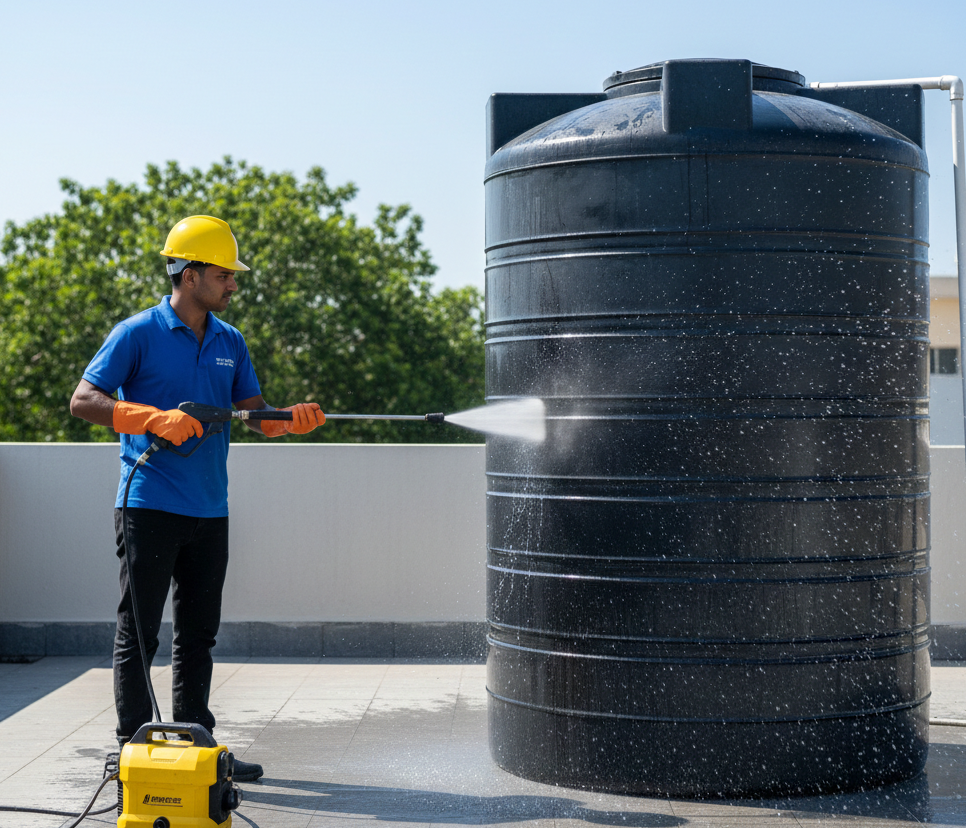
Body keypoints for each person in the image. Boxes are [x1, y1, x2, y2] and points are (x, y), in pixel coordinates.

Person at [69, 215, 325, 782]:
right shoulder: (137, 333)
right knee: (140, 632)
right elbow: (83, 400)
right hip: (147, 504)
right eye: (224, 275)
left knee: (198, 635)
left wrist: (291, 419)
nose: (233, 284)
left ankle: (194, 743)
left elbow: (255, 416)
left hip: (211, 509)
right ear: (189, 275)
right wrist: (150, 417)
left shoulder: (231, 340)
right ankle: (132, 750)